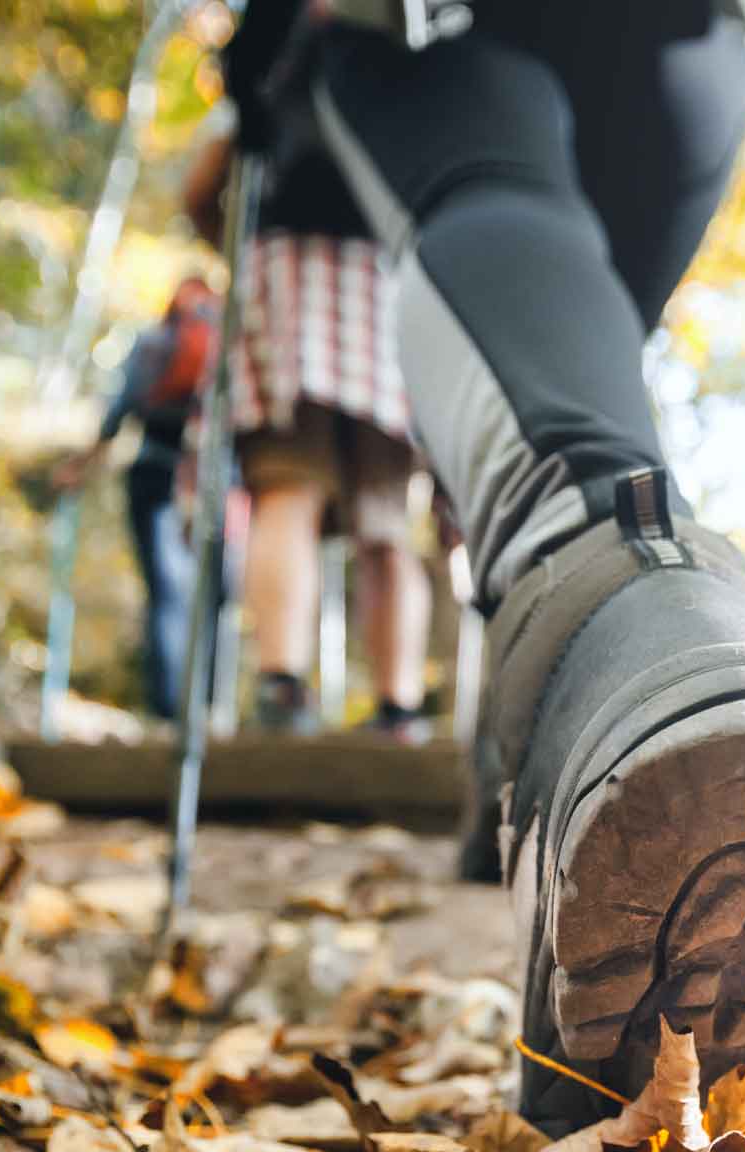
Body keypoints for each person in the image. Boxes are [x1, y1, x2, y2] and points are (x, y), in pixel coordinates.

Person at [226, 1, 745, 1142]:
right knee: (560, 356)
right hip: (688, 59)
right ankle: (568, 718)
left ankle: (622, 629)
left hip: (429, 38)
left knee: (507, 247)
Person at [184, 78, 432, 740]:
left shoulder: (276, 62)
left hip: (285, 285)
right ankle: (398, 707)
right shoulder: (406, 71)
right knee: (385, 525)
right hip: (388, 297)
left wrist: (241, 248)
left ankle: (281, 685)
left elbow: (201, 189)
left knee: (287, 492)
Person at [55, 277, 216, 721]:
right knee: (212, 595)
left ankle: (168, 712)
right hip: (213, 480)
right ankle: (209, 707)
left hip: (153, 470)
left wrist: (77, 467)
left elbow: (118, 412)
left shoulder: (151, 342)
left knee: (166, 594)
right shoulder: (228, 338)